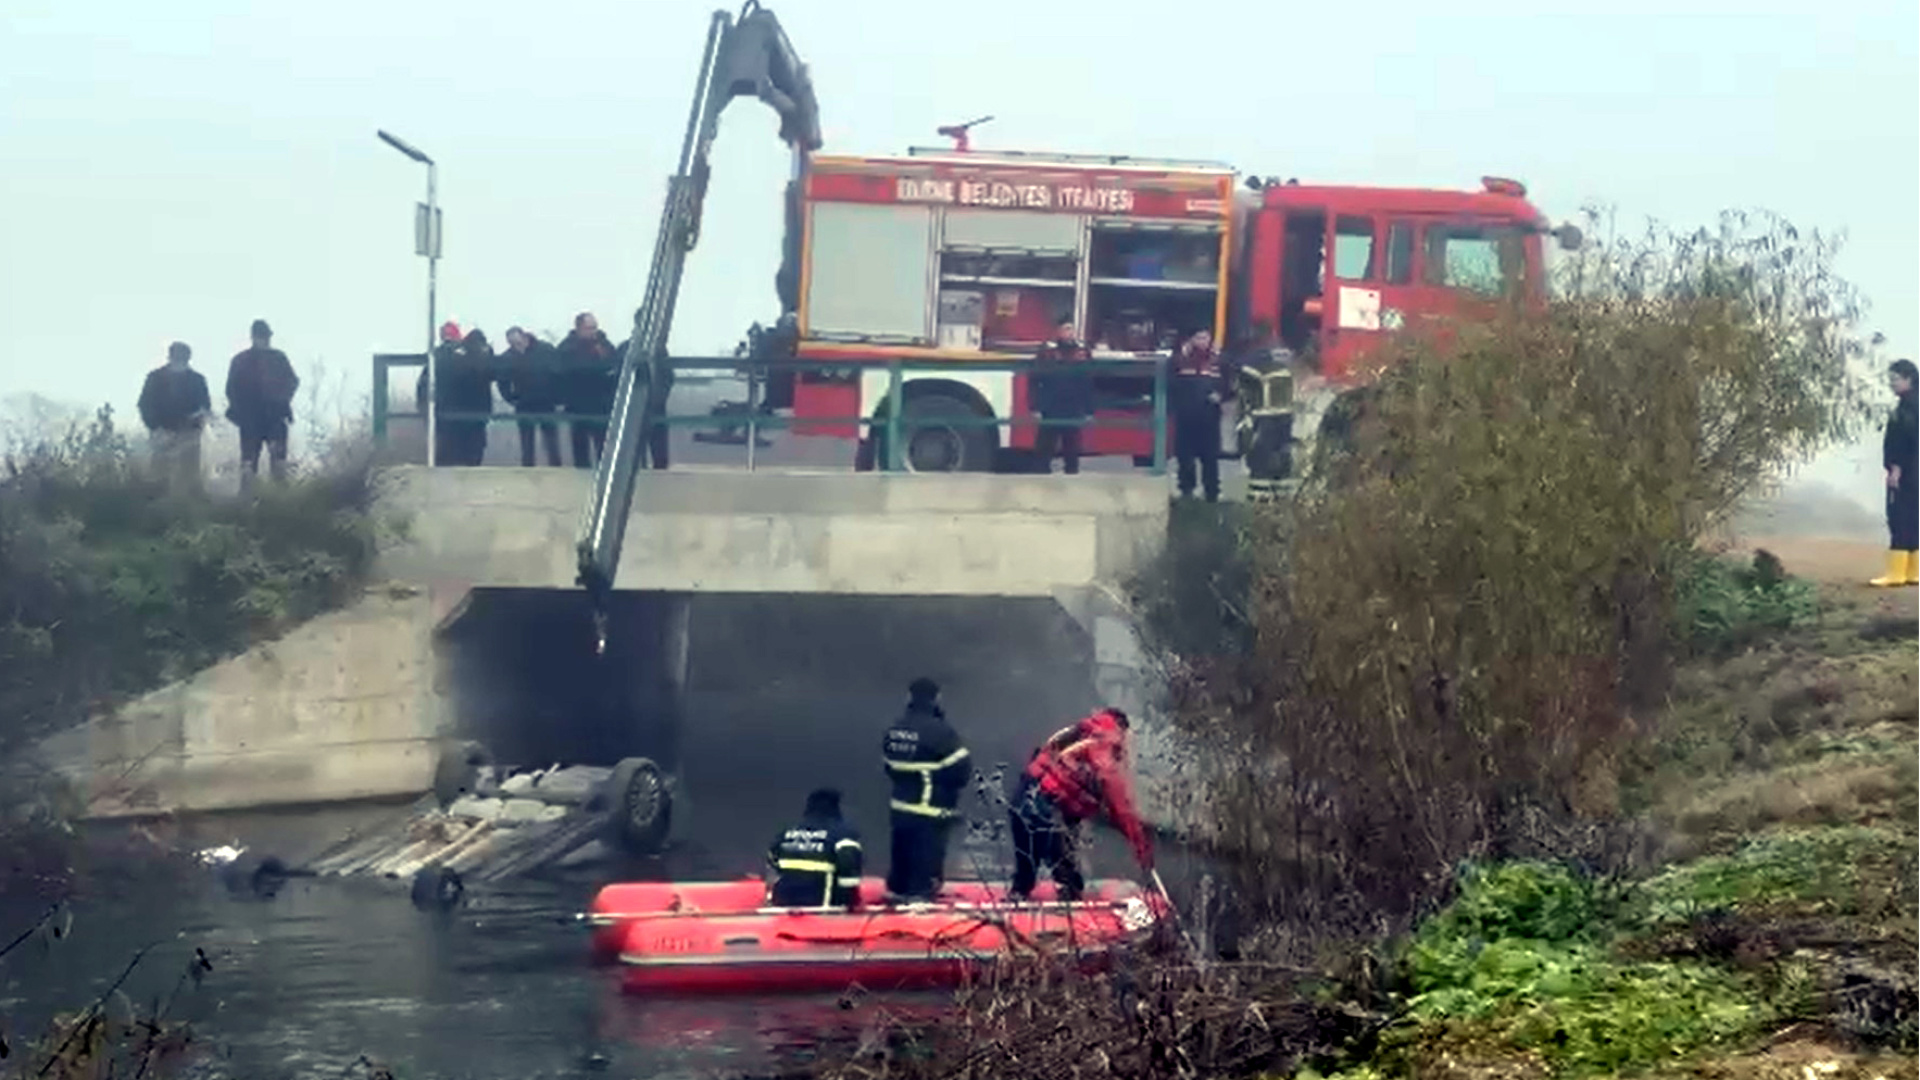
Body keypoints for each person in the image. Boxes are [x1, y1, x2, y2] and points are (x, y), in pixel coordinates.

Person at [1007, 707, 1153, 903]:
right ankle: (1068, 902)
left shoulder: (1080, 733)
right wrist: (1139, 842)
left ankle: (1019, 893)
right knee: (1062, 861)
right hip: (1051, 804)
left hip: (1025, 794)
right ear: (1121, 728)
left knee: (1028, 856)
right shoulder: (1105, 743)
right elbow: (1118, 800)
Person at [880, 677, 972, 901]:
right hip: (931, 807)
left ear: (909, 698)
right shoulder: (940, 731)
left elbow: (889, 766)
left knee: (901, 851)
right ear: (936, 699)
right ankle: (920, 895)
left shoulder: (895, 728)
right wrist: (942, 785)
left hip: (900, 805)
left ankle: (897, 887)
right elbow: (962, 769)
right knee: (925, 859)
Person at [225, 318, 299, 490]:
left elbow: (292, 383)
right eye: (261, 336)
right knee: (249, 465)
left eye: (265, 336)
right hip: (253, 419)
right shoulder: (243, 360)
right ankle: (249, 504)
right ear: (254, 337)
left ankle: (278, 502)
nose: (264, 339)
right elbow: (231, 390)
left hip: (272, 418)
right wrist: (241, 412)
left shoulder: (277, 358)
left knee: (277, 464)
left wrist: (282, 402)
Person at [766, 788, 865, 910]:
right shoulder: (843, 834)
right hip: (822, 905)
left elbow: (772, 859)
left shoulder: (787, 833)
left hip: (783, 902)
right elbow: (849, 863)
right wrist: (850, 900)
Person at [138, 341, 212, 494]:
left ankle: (188, 507)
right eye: (177, 358)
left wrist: (196, 428)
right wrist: (155, 428)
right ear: (170, 357)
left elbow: (205, 407)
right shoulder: (155, 378)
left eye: (183, 359)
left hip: (189, 436)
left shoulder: (197, 380)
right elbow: (144, 405)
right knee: (159, 476)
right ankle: (158, 507)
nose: (180, 362)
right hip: (162, 432)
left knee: (189, 476)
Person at [1870, 358, 1919, 587]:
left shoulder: (1907, 409)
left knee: (1899, 517)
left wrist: (1895, 468)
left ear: (1909, 379)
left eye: (1895, 379)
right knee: (1913, 518)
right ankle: (1913, 572)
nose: (1891, 384)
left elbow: (1903, 441)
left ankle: (1896, 574)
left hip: (1907, 473)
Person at [1170, 329, 1231, 502]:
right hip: (1186, 414)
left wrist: (1221, 396)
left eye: (1206, 337)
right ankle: (1186, 490)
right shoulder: (1179, 360)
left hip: (1209, 416)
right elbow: (1170, 382)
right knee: (1184, 455)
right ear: (1191, 339)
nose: (1203, 341)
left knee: (1210, 456)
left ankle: (1212, 492)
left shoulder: (1219, 360)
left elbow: (1230, 383)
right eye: (1198, 337)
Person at [614, 308, 675, 469]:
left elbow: (668, 378)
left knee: (658, 457)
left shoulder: (656, 349)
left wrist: (656, 399)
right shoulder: (628, 349)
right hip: (635, 411)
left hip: (651, 410)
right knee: (633, 456)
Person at [1031, 320, 1094, 475]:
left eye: (1071, 329)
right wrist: (1035, 407)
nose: (1069, 332)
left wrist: (1088, 410)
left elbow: (1088, 382)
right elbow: (1034, 380)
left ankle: (1071, 477)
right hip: (1050, 406)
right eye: (1066, 329)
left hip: (1072, 406)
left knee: (1072, 447)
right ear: (1058, 331)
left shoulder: (1081, 351)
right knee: (1045, 447)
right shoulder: (1047, 351)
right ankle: (1041, 478)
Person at [559, 312, 621, 469]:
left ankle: (603, 478)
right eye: (589, 328)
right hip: (577, 405)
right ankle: (581, 480)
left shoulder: (605, 345)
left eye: (594, 327)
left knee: (604, 446)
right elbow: (562, 373)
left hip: (601, 405)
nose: (593, 331)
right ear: (579, 328)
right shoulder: (567, 347)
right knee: (580, 447)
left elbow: (615, 368)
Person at [498, 327, 564, 467]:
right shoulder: (508, 357)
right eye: (512, 344)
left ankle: (557, 470)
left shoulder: (545, 350)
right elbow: (502, 381)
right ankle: (528, 473)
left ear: (524, 337)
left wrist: (558, 398)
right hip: (524, 404)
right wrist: (511, 399)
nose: (516, 347)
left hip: (546, 402)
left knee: (552, 443)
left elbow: (559, 374)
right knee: (527, 444)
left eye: (518, 343)